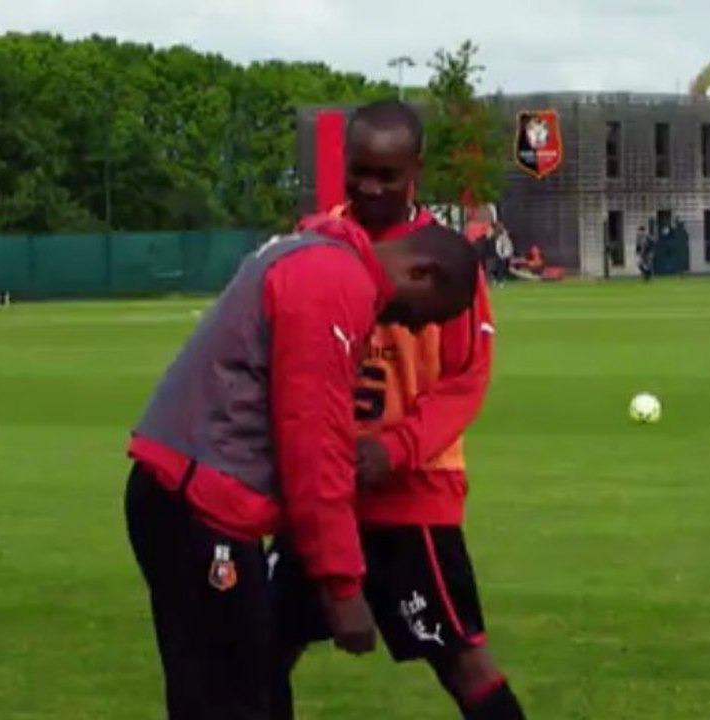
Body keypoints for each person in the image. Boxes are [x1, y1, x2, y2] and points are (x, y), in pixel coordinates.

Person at [123, 216, 481, 720]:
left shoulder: (314, 256)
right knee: (233, 702)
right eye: (424, 318)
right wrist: (341, 588)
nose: (412, 327)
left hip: (190, 496)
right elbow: (313, 440)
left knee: (230, 693)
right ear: (422, 272)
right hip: (201, 505)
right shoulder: (333, 283)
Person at [273, 99, 525, 719]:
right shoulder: (314, 240)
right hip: (323, 495)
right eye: (360, 171)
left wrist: (395, 448)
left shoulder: (445, 258)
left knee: (463, 661)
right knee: (258, 653)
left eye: (387, 175)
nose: (370, 187)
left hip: (414, 497)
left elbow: (468, 376)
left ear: (416, 169)